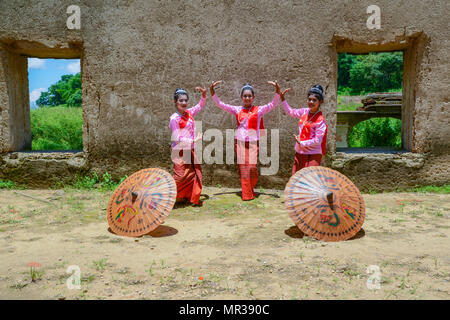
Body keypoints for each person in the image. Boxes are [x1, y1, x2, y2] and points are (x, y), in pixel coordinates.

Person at [210, 80, 280, 200]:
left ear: (253, 97)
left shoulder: (259, 110)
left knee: (252, 168)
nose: (247, 98)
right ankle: (247, 195)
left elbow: (273, 104)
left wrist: (277, 91)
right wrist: (212, 91)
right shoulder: (237, 110)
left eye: (249, 96)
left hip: (253, 143)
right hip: (240, 142)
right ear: (242, 97)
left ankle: (249, 189)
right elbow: (221, 104)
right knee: (244, 168)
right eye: (245, 96)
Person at [169, 87, 207, 206]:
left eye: (186, 100)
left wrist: (204, 95)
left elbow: (200, 106)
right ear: (175, 102)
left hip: (189, 149)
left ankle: (187, 197)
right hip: (179, 150)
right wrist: (192, 140)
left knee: (192, 173)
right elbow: (176, 137)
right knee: (180, 176)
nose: (184, 103)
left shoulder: (189, 112)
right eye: (181, 100)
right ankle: (167, 196)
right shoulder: (174, 119)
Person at [280, 84, 328, 175]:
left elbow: (318, 141)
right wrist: (282, 99)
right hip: (300, 151)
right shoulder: (304, 112)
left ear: (320, 102)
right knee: (297, 178)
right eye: (309, 99)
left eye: (314, 100)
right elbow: (290, 111)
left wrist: (302, 143)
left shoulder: (320, 121)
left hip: (314, 153)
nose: (311, 102)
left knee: (309, 179)